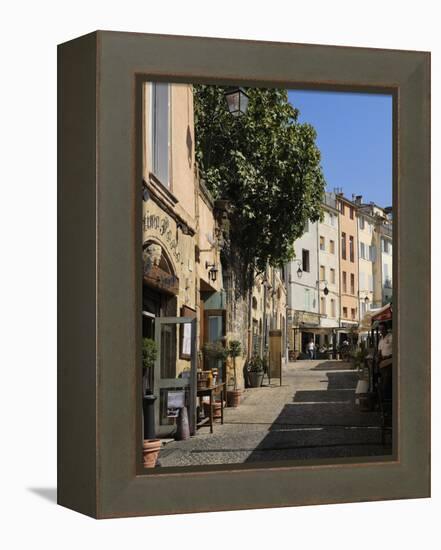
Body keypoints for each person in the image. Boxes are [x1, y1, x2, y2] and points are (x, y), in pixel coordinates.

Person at [377, 323, 392, 399]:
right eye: (380, 329)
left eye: (382, 329)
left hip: (390, 361)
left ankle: (387, 400)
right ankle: (383, 400)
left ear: (386, 329)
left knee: (386, 382)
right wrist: (378, 359)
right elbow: (379, 352)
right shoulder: (381, 340)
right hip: (383, 363)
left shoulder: (391, 337)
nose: (381, 331)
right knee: (383, 381)